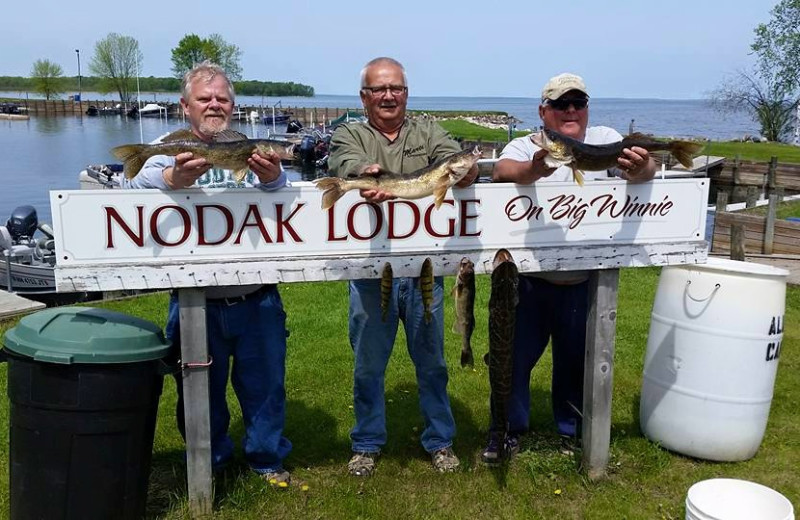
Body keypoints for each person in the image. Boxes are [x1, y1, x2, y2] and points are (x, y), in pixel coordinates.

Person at [124, 61, 294, 486]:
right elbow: (129, 192)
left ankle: (266, 460)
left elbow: (286, 200)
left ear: (233, 106)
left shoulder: (246, 146)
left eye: (222, 98)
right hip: (193, 300)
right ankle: (210, 463)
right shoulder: (167, 145)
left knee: (265, 387)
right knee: (198, 392)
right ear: (186, 106)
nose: (214, 104)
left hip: (257, 294)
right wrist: (171, 177)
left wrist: (274, 179)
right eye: (205, 98)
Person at [483, 73, 655, 463]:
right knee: (512, 359)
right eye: (562, 104)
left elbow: (645, 173)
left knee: (577, 362)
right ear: (543, 111)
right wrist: (534, 170)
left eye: (579, 103)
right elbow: (502, 172)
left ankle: (571, 430)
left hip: (583, 281)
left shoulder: (605, 139)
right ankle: (506, 430)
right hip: (527, 281)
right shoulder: (525, 145)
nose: (571, 110)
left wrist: (641, 168)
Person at [328, 57, 478, 476]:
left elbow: (454, 162)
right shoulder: (350, 132)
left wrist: (465, 174)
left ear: (406, 94)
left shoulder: (427, 131)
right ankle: (367, 443)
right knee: (368, 365)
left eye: (396, 88)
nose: (388, 95)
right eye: (379, 89)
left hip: (424, 270)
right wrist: (363, 172)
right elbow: (342, 161)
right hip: (369, 271)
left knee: (432, 363)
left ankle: (440, 441)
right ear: (364, 97)